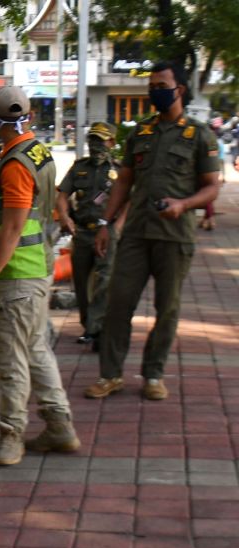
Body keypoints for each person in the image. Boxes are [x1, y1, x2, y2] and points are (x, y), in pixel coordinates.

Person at [84, 61, 222, 402]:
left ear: (180, 89)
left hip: (174, 236)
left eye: (161, 85)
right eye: (152, 87)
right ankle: (110, 374)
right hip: (135, 234)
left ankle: (153, 374)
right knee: (118, 304)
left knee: (167, 308)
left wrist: (184, 205)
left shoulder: (199, 134)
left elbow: (212, 187)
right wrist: (106, 222)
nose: (155, 92)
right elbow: (125, 182)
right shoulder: (140, 133)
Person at [0, 87, 80, 466]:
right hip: (39, 269)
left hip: (18, 276)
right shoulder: (40, 152)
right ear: (27, 116)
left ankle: (11, 436)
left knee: (10, 356)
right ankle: (59, 424)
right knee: (35, 348)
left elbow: (13, 229)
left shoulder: (15, 165)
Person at [55, 122, 125, 348]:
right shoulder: (79, 168)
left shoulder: (119, 170)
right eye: (92, 140)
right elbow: (63, 194)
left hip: (107, 233)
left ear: (111, 143)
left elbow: (130, 201)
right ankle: (89, 325)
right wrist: (65, 217)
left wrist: (119, 226)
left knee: (104, 281)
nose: (96, 146)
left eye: (101, 140)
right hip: (83, 233)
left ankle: (97, 329)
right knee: (81, 284)